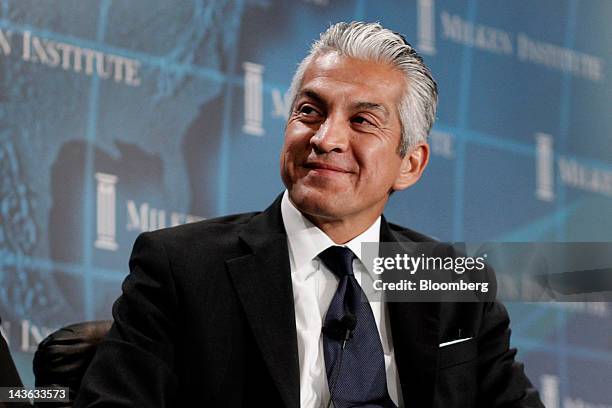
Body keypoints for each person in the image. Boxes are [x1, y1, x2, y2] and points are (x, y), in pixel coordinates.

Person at [75, 22, 544, 407]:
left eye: (361, 120)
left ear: (410, 164)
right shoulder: (181, 268)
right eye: (310, 111)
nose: (325, 138)